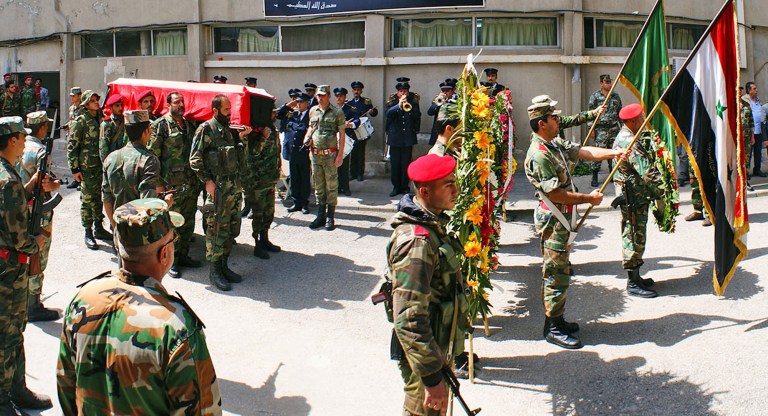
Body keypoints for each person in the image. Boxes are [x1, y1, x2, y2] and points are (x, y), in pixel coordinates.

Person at [56, 198, 222, 415]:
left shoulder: (83, 300)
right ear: (164, 255)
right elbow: (202, 410)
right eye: (173, 240)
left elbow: (66, 385)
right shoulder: (175, 327)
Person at [524, 97, 625, 349]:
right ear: (541, 123)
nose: (559, 120)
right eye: (553, 117)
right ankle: (553, 327)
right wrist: (588, 198)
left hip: (563, 216)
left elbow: (582, 151)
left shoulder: (553, 142)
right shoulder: (539, 154)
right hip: (554, 218)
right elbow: (555, 193)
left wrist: (614, 152)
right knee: (555, 273)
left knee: (561, 270)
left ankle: (558, 318)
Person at [388, 153, 468, 416]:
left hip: (434, 348)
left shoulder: (431, 223)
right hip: (423, 356)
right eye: (448, 185)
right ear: (425, 191)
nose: (456, 190)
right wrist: (432, 378)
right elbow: (409, 319)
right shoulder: (417, 243)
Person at [0, 116, 54, 414]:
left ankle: (16, 388)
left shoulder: (7, 175)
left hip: (8, 268)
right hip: (8, 270)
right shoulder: (6, 180)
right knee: (7, 335)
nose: (25, 140)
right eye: (21, 136)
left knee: (13, 331)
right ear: (11, 140)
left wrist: (30, 187)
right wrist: (38, 242)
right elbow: (20, 238)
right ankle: (2, 398)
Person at [190, 95, 252, 291]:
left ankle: (224, 266)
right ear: (215, 110)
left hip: (233, 189)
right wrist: (207, 181)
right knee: (216, 230)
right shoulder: (206, 129)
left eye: (230, 110)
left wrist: (241, 140)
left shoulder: (227, 129)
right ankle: (214, 271)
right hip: (217, 190)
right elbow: (194, 159)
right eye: (226, 110)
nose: (230, 113)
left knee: (231, 229)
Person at [148, 91, 204, 279]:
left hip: (189, 183)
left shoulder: (188, 125)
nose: (180, 105)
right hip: (171, 185)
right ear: (168, 105)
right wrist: (157, 184)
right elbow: (152, 156)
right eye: (177, 102)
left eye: (182, 102)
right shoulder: (160, 125)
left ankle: (183, 254)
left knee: (188, 221)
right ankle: (171, 261)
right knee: (173, 223)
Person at [610, 103, 661, 298]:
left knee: (636, 234)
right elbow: (646, 172)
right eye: (640, 118)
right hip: (632, 198)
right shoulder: (628, 141)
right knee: (633, 236)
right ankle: (632, 282)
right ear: (631, 121)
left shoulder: (629, 136)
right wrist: (662, 193)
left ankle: (637, 276)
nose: (642, 120)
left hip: (635, 195)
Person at [15, 111, 60, 322]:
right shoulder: (41, 151)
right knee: (38, 255)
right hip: (38, 211)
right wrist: (57, 185)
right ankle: (33, 305)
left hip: (20, 206)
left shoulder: (18, 147)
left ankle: (23, 300)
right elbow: (48, 184)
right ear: (42, 127)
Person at [102, 110, 167, 230]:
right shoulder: (149, 160)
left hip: (119, 226)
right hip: (140, 233)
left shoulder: (111, 158)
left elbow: (106, 197)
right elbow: (148, 204)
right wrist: (167, 203)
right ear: (146, 130)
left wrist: (115, 226)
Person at [67, 90, 111, 250]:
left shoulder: (101, 118)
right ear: (86, 104)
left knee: (99, 198)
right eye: (92, 100)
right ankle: (88, 231)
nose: (96, 102)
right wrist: (74, 168)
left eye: (96, 100)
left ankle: (99, 227)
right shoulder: (81, 121)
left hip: (100, 166)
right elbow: (72, 146)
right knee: (87, 200)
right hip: (86, 168)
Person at [305, 85, 345, 231]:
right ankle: (320, 215)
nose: (320, 98)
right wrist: (307, 138)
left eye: (323, 95)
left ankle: (330, 216)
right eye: (318, 95)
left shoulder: (337, 112)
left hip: (330, 155)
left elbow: (341, 134)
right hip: (315, 155)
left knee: (331, 186)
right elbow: (310, 127)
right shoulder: (312, 111)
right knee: (319, 186)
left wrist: (340, 155)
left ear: (329, 96)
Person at [242, 117, 282, 259]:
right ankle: (257, 244)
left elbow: (277, 153)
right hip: (258, 181)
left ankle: (265, 239)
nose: (274, 114)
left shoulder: (274, 130)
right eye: (271, 112)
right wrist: (263, 137)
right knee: (258, 213)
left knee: (269, 211)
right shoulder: (255, 132)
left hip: (270, 179)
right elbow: (252, 153)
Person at [386, 77, 421, 197]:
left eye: (405, 91)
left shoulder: (413, 101)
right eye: (401, 91)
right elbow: (388, 114)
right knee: (395, 164)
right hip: (395, 138)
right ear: (397, 92)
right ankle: (396, 187)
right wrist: (398, 106)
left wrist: (408, 106)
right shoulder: (392, 102)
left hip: (407, 138)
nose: (403, 93)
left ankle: (405, 186)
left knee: (406, 163)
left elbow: (417, 116)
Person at [588, 74, 623, 187]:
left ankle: (612, 174)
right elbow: (590, 113)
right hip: (601, 130)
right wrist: (591, 128)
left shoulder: (615, 96)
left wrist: (623, 128)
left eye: (609, 82)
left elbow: (620, 113)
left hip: (614, 129)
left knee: (613, 153)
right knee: (598, 154)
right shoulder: (595, 96)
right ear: (601, 84)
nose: (609, 84)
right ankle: (594, 176)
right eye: (606, 82)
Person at [285, 93, 311, 214]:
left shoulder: (310, 116)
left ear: (307, 103)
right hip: (293, 152)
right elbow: (279, 114)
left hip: (304, 152)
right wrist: (289, 105)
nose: (298, 104)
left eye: (301, 102)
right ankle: (296, 202)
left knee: (304, 178)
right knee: (294, 178)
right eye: (297, 102)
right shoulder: (293, 115)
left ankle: (304, 202)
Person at [348, 81, 378, 181]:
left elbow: (374, 113)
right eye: (355, 90)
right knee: (353, 153)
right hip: (352, 131)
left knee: (361, 153)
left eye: (358, 90)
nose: (356, 91)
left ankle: (360, 174)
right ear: (352, 91)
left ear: (361, 91)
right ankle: (352, 174)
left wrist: (372, 111)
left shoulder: (366, 102)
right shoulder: (349, 103)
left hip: (362, 130)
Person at [334, 87, 359, 197]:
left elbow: (357, 120)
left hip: (346, 140)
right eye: (337, 96)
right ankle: (338, 187)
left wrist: (351, 124)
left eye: (341, 96)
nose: (339, 98)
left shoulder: (350, 109)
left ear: (345, 97)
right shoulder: (332, 110)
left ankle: (345, 187)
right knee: (335, 165)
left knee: (344, 165)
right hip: (334, 140)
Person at [64, 87, 84, 189]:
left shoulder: (84, 108)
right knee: (72, 158)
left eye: (74, 96)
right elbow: (72, 120)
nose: (71, 97)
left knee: (81, 159)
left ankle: (81, 181)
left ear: (79, 96)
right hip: (71, 136)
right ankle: (76, 180)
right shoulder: (71, 108)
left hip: (79, 137)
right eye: (71, 95)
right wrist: (67, 125)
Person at [98, 94, 127, 162]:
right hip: (113, 162)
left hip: (125, 160)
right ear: (111, 108)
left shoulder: (126, 120)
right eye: (117, 105)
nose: (120, 108)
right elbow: (103, 148)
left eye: (121, 105)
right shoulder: (106, 124)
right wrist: (107, 165)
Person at [746, 82, 765, 177]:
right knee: (748, 153)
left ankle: (757, 169)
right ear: (749, 91)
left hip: (759, 130)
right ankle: (746, 171)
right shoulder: (745, 101)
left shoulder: (758, 101)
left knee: (758, 152)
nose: (756, 90)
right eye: (754, 88)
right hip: (749, 132)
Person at [427, 81, 455, 146]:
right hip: (437, 133)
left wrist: (446, 105)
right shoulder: (438, 100)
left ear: (452, 91)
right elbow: (430, 112)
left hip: (450, 132)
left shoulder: (456, 101)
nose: (445, 93)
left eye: (447, 90)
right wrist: (438, 103)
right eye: (443, 90)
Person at [741, 90, 755, 192]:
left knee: (746, 159)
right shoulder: (729, 104)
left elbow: (751, 122)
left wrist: (752, 137)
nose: (739, 91)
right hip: (735, 139)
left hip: (746, 138)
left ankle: (745, 181)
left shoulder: (746, 104)